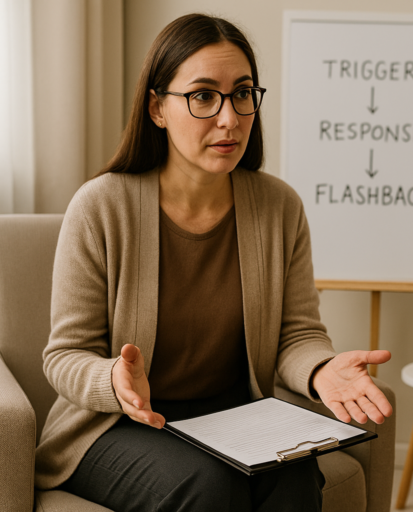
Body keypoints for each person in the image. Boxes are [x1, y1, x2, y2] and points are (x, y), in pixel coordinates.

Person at [34, 13, 392, 512]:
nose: (229, 118)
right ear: (158, 108)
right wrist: (114, 380)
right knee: (209, 487)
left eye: (242, 93)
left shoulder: (278, 206)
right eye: (203, 96)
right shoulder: (101, 206)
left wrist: (319, 370)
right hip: (118, 426)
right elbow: (64, 355)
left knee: (294, 479)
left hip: (234, 416)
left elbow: (296, 334)